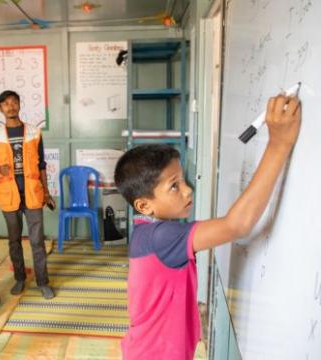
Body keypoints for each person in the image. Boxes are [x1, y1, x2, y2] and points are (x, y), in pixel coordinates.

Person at [113, 94, 301, 360]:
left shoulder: (147, 232)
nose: (188, 190)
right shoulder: (163, 237)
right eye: (174, 186)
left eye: (183, 180)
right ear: (144, 206)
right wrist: (279, 144)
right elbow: (237, 225)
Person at [0, 90, 56, 299]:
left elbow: (42, 164)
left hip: (33, 194)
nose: (11, 106)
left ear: (19, 105)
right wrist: (1, 170)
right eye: (6, 103)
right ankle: (19, 278)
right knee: (14, 240)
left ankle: (43, 282)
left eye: (14, 102)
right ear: (0, 108)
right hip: (9, 194)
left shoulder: (34, 132)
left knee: (37, 241)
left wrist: (46, 192)